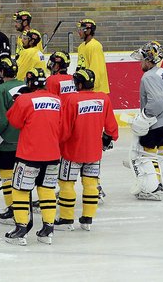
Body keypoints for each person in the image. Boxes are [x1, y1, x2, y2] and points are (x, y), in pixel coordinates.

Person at [4, 67, 62, 246]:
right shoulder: (57, 100)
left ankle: (21, 229)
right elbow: (63, 125)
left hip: (29, 154)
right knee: (47, 190)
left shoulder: (24, 99)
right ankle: (48, 229)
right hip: (52, 154)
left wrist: (18, 102)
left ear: (28, 83)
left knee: (20, 190)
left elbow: (14, 121)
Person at [57, 68, 118, 231]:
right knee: (91, 184)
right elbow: (111, 126)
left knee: (66, 184)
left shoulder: (71, 100)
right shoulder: (103, 98)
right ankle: (87, 219)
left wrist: (56, 143)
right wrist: (109, 137)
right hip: (94, 152)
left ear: (80, 83)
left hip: (72, 152)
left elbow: (64, 130)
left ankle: (66, 219)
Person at [128, 41, 163, 201]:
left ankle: (152, 187)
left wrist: (144, 116)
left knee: (146, 152)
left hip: (162, 121)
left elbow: (157, 102)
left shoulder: (149, 76)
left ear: (148, 60)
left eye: (142, 59)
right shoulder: (162, 71)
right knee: (161, 149)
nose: (140, 63)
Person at [0, 56, 24, 226]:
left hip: (7, 141)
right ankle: (24, 206)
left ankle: (12, 208)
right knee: (23, 175)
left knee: (7, 175)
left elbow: (0, 121)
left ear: (1, 71)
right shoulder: (25, 85)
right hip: (26, 140)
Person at [75, 19, 109, 94]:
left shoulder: (95, 46)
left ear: (88, 31)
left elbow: (97, 70)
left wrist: (91, 86)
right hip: (85, 89)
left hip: (96, 91)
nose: (79, 32)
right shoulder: (81, 47)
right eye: (78, 29)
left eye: (81, 29)